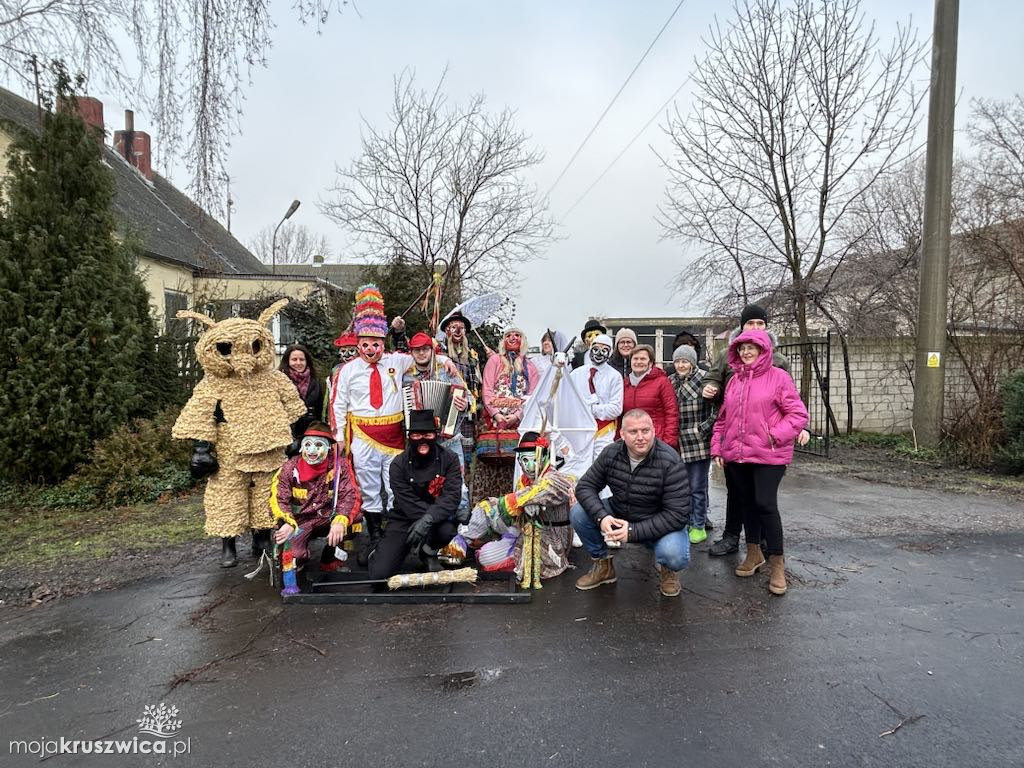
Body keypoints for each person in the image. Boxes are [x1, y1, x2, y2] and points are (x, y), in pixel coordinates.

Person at [172, 300, 307, 568]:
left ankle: (262, 538)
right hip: (229, 450)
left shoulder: (274, 380)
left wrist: (296, 436)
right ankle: (228, 544)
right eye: (227, 348)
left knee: (267, 494)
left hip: (270, 449)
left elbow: (293, 408)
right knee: (227, 496)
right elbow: (200, 415)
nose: (244, 357)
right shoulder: (212, 384)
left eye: (254, 347)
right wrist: (202, 448)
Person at [702, 304, 809, 556]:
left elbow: (791, 402)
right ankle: (731, 536)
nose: (756, 328)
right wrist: (710, 388)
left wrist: (787, 431)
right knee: (737, 493)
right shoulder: (731, 356)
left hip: (764, 443)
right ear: (742, 328)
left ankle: (762, 542)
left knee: (763, 499)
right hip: (735, 438)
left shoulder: (778, 363)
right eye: (751, 324)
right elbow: (713, 378)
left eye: (760, 324)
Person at [570, 409, 691, 597]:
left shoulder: (670, 461)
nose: (641, 437)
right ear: (622, 434)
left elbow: (678, 514)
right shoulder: (611, 453)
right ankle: (603, 565)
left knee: (673, 554)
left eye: (646, 431)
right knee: (579, 513)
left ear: (654, 431)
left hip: (658, 520)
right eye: (633, 432)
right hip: (621, 510)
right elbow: (585, 486)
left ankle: (668, 570)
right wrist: (602, 517)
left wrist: (633, 532)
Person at [440, 431, 575, 581]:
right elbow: (516, 508)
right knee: (485, 508)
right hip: (522, 532)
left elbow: (535, 493)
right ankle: (461, 543)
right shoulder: (523, 481)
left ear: (544, 457)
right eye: (524, 460)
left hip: (550, 541)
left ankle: (511, 554)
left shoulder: (555, 479)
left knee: (493, 555)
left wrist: (512, 503)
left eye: (534, 460)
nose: (529, 466)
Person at [368, 409, 465, 581]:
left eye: (427, 435)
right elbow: (407, 501)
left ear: (435, 435)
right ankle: (382, 551)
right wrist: (424, 519)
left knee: (447, 530)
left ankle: (428, 551)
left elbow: (451, 496)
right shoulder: (398, 464)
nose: (422, 440)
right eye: (417, 435)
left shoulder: (449, 459)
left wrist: (429, 519)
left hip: (436, 517)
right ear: (409, 437)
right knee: (379, 575)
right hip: (404, 517)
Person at [270, 422, 361, 591]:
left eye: (318, 445)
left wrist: (340, 521)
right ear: (301, 447)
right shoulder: (289, 468)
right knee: (296, 555)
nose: (311, 452)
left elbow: (350, 495)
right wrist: (288, 522)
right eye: (308, 445)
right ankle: (301, 561)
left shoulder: (340, 466)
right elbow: (278, 499)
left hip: (327, 517)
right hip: (300, 522)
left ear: (328, 449)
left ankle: (330, 559)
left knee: (355, 519)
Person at [475, 326, 539, 500]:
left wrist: (517, 415)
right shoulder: (494, 361)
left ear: (523, 339)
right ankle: (486, 506)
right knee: (491, 463)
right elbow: (487, 389)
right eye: (508, 335)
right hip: (493, 421)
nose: (512, 338)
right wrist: (496, 414)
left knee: (516, 465)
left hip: (520, 423)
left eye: (517, 335)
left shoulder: (530, 366)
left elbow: (532, 395)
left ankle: (515, 504)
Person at [404, 330, 474, 477]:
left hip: (449, 437)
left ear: (432, 350)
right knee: (425, 483)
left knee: (457, 484)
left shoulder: (448, 372)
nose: (421, 353)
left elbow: (469, 397)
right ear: (411, 352)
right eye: (417, 350)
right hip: (420, 442)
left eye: (425, 349)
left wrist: (465, 404)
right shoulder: (406, 377)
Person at [668, 345, 715, 544]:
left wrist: (703, 429)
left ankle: (698, 524)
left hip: (699, 443)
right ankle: (685, 520)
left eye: (685, 361)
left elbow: (718, 409)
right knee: (682, 487)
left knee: (697, 486)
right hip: (678, 443)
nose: (681, 365)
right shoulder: (670, 381)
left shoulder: (705, 379)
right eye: (678, 361)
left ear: (692, 362)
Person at [569, 333, 623, 471]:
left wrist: (591, 409)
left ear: (609, 353)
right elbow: (568, 402)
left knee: (602, 469)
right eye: (596, 349)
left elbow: (616, 409)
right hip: (579, 431)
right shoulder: (576, 374)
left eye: (604, 350)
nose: (599, 353)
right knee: (578, 469)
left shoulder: (615, 376)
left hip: (604, 431)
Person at [440, 311, 484, 458]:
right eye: (453, 327)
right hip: (444, 413)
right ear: (447, 331)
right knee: (443, 453)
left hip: (466, 414)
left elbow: (478, 386)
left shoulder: (472, 357)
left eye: (461, 327)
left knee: (465, 453)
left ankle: (464, 480)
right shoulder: (440, 354)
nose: (458, 330)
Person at [621, 344, 679, 450]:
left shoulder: (662, 382)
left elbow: (671, 413)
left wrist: (668, 443)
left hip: (656, 442)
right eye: (635, 359)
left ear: (650, 363)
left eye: (643, 359)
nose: (638, 362)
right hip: (632, 442)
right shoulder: (625, 384)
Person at [280, 344, 324, 441]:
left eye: (302, 359)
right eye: (294, 359)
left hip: (311, 433)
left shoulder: (316, 381)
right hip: (287, 433)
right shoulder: (280, 381)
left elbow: (320, 410)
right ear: (287, 361)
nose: (298, 363)